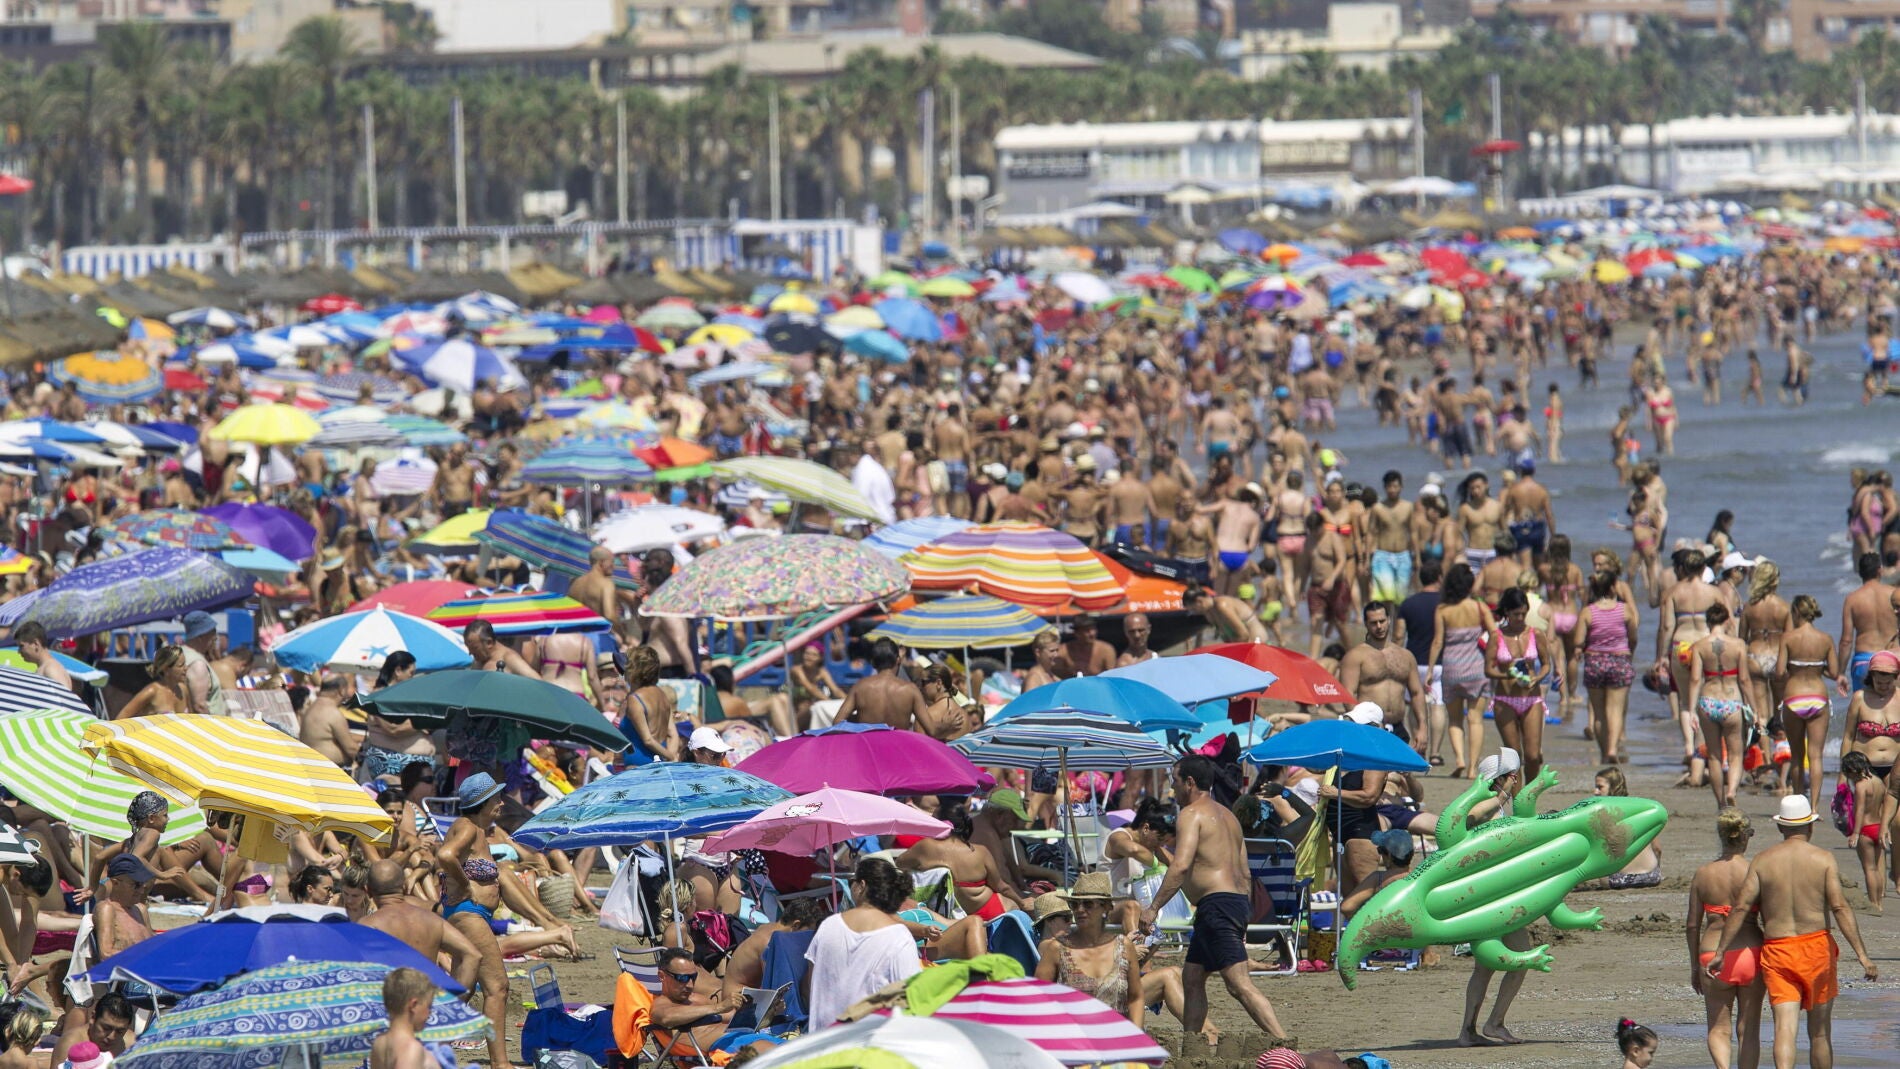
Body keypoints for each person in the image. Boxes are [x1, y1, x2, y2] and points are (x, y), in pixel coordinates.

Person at [1708, 795, 1877, 1069]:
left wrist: (1720, 952)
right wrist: (1863, 956)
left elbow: (1740, 908)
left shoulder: (1763, 861)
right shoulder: (1822, 859)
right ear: (1809, 827)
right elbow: (1839, 907)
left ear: (1780, 828)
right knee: (1820, 1032)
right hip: (1817, 949)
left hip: (1778, 950)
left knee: (1784, 1029)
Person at [1140, 754, 1286, 1039]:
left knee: (1238, 984)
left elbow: (1181, 865)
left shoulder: (1191, 814)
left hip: (1218, 906)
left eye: (1174, 780)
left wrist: (1153, 908)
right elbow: (1245, 873)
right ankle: (1192, 1044)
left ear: (1190, 782)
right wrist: (1240, 911)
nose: (1172, 788)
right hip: (1228, 904)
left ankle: (1286, 1044)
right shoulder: (1228, 816)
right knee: (1192, 977)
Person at [435, 772, 513, 1068]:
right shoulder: (468, 827)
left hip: (466, 914)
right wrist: (466, 885)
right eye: (496, 798)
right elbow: (445, 855)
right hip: (468, 914)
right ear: (482, 802)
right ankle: (500, 1063)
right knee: (497, 987)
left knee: (463, 989)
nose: (501, 803)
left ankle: (429, 1051)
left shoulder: (473, 829)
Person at [805, 857, 922, 1031]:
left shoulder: (829, 925)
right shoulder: (898, 936)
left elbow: (810, 985)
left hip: (822, 1043)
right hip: (869, 1046)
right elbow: (911, 1000)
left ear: (861, 885)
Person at [1689, 806, 1765, 1069]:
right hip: (1750, 954)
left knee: (1718, 1028)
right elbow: (1770, 916)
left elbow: (1691, 926)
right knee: (1748, 1028)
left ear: (1722, 836)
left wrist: (1693, 966)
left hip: (1711, 955)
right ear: (1745, 837)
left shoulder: (1703, 874)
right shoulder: (1755, 871)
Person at [1034, 872, 1143, 1025]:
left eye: (1088, 904)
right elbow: (1038, 1000)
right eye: (1074, 904)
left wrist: (1136, 1036)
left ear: (1106, 908)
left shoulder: (1124, 946)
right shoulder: (1057, 949)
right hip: (1074, 1042)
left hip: (1115, 1041)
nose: (1079, 910)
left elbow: (1135, 998)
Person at [359, 860, 479, 993]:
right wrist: (456, 1002)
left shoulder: (368, 925)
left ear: (367, 891)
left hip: (390, 1005)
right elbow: (473, 955)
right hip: (427, 1004)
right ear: (404, 886)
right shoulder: (433, 920)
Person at [896, 799, 1022, 921]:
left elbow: (900, 863)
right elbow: (1001, 887)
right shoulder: (980, 852)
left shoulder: (926, 847)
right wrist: (1021, 902)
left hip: (946, 914)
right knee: (1015, 909)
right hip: (989, 910)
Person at [650, 946, 781, 1060]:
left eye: (693, 977)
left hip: (745, 1038)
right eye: (683, 978)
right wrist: (719, 1007)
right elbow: (666, 1018)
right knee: (779, 1056)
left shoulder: (697, 999)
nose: (690, 985)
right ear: (662, 976)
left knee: (794, 1049)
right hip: (727, 1046)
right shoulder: (661, 1004)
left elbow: (729, 1016)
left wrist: (768, 1011)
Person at [1430, 563, 1496, 778]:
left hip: (1451, 667)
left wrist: (1431, 669)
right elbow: (1495, 633)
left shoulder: (1442, 609)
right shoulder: (1478, 607)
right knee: (1475, 719)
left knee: (1455, 719)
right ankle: (1472, 768)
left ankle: (1459, 758)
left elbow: (1438, 641)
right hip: (1476, 668)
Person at [1483, 587, 1556, 781]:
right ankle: (1517, 803)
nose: (1520, 618)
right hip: (1504, 699)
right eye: (1516, 614)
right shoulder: (1496, 636)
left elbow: (1547, 664)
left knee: (1533, 756)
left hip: (1531, 698)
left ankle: (1529, 797)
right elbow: (1488, 669)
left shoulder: (1535, 634)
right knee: (1513, 757)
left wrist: (1538, 678)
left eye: (1524, 613)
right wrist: (1505, 675)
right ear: (1506, 612)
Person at [1777, 595, 1839, 815]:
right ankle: (1814, 807)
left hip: (1794, 696)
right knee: (1815, 756)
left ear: (1795, 612)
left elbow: (1779, 671)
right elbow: (1834, 671)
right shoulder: (1826, 639)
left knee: (1796, 755)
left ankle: (1798, 804)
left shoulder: (1788, 638)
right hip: (1817, 697)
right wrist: (1815, 668)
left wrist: (1798, 668)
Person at [1689, 602, 1752, 808]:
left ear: (1708, 622)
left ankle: (1720, 803)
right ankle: (1732, 790)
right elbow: (1744, 680)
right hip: (1732, 702)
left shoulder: (1699, 646)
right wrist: (1755, 708)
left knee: (1714, 756)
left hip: (1708, 702)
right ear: (1727, 620)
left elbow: (1695, 680)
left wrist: (1691, 711)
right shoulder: (1739, 645)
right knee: (1735, 754)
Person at [1337, 601, 1425, 744]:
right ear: (1366, 624)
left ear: (1389, 620)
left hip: (1398, 727)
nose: (1379, 626)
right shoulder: (1355, 656)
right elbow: (1348, 695)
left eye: (1382, 621)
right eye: (1373, 623)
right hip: (1368, 728)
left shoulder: (1405, 655)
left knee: (1401, 766)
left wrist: (1422, 727)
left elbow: (1417, 693)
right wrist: (1365, 724)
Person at [1575, 570, 1638, 764]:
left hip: (1594, 662)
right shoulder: (1625, 609)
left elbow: (1578, 641)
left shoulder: (1588, 611)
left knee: (1599, 712)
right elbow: (1633, 637)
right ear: (1613, 587)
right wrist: (1629, 652)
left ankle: (1604, 753)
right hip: (1619, 661)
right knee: (1615, 710)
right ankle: (1612, 749)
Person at [362, 651, 434, 783]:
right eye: (411, 673)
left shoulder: (404, 695)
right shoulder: (380, 695)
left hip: (413, 766)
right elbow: (393, 728)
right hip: (393, 767)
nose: (412, 678)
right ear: (398, 670)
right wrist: (424, 721)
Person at [1836, 553, 1894, 696]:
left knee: (1865, 710)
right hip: (1892, 657)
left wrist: (1841, 673)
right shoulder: (1894, 594)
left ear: (1860, 572)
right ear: (1879, 570)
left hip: (1864, 661)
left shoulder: (1852, 599)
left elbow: (1846, 641)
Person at [838, 637, 925, 731]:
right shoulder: (910, 689)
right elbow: (932, 729)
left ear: (873, 663)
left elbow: (838, 722)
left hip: (869, 744)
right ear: (898, 660)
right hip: (898, 744)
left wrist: (859, 718)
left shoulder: (860, 687)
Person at [621, 645, 680, 764]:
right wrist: (669, 756)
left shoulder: (635, 699)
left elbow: (648, 740)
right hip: (659, 763)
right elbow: (673, 734)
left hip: (638, 765)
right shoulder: (662, 694)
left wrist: (670, 757)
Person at [369, 967, 437, 1069]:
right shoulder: (411, 1048)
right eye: (428, 1006)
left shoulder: (379, 1043)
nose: (429, 1013)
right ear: (414, 1005)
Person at [50, 992, 134, 1067]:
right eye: (106, 1028)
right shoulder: (72, 1043)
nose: (112, 1037)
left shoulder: (129, 1044)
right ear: (93, 1017)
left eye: (120, 1031)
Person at [298, 675, 359, 768]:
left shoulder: (312, 707)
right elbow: (351, 748)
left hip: (313, 765)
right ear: (342, 690)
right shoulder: (332, 712)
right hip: (328, 769)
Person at [116, 644, 188, 720]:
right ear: (166, 669)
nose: (186, 668)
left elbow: (192, 719)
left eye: (185, 664)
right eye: (181, 665)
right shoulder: (152, 691)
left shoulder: (183, 690)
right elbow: (122, 717)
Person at [176, 609, 227, 716]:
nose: (215, 637)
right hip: (209, 727)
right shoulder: (197, 663)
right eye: (212, 633)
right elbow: (199, 706)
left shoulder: (181, 653)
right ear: (201, 637)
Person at [12, 621, 71, 691]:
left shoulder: (51, 669)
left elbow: (63, 699)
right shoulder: (47, 667)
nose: (18, 652)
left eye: (22, 646)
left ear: (35, 643)